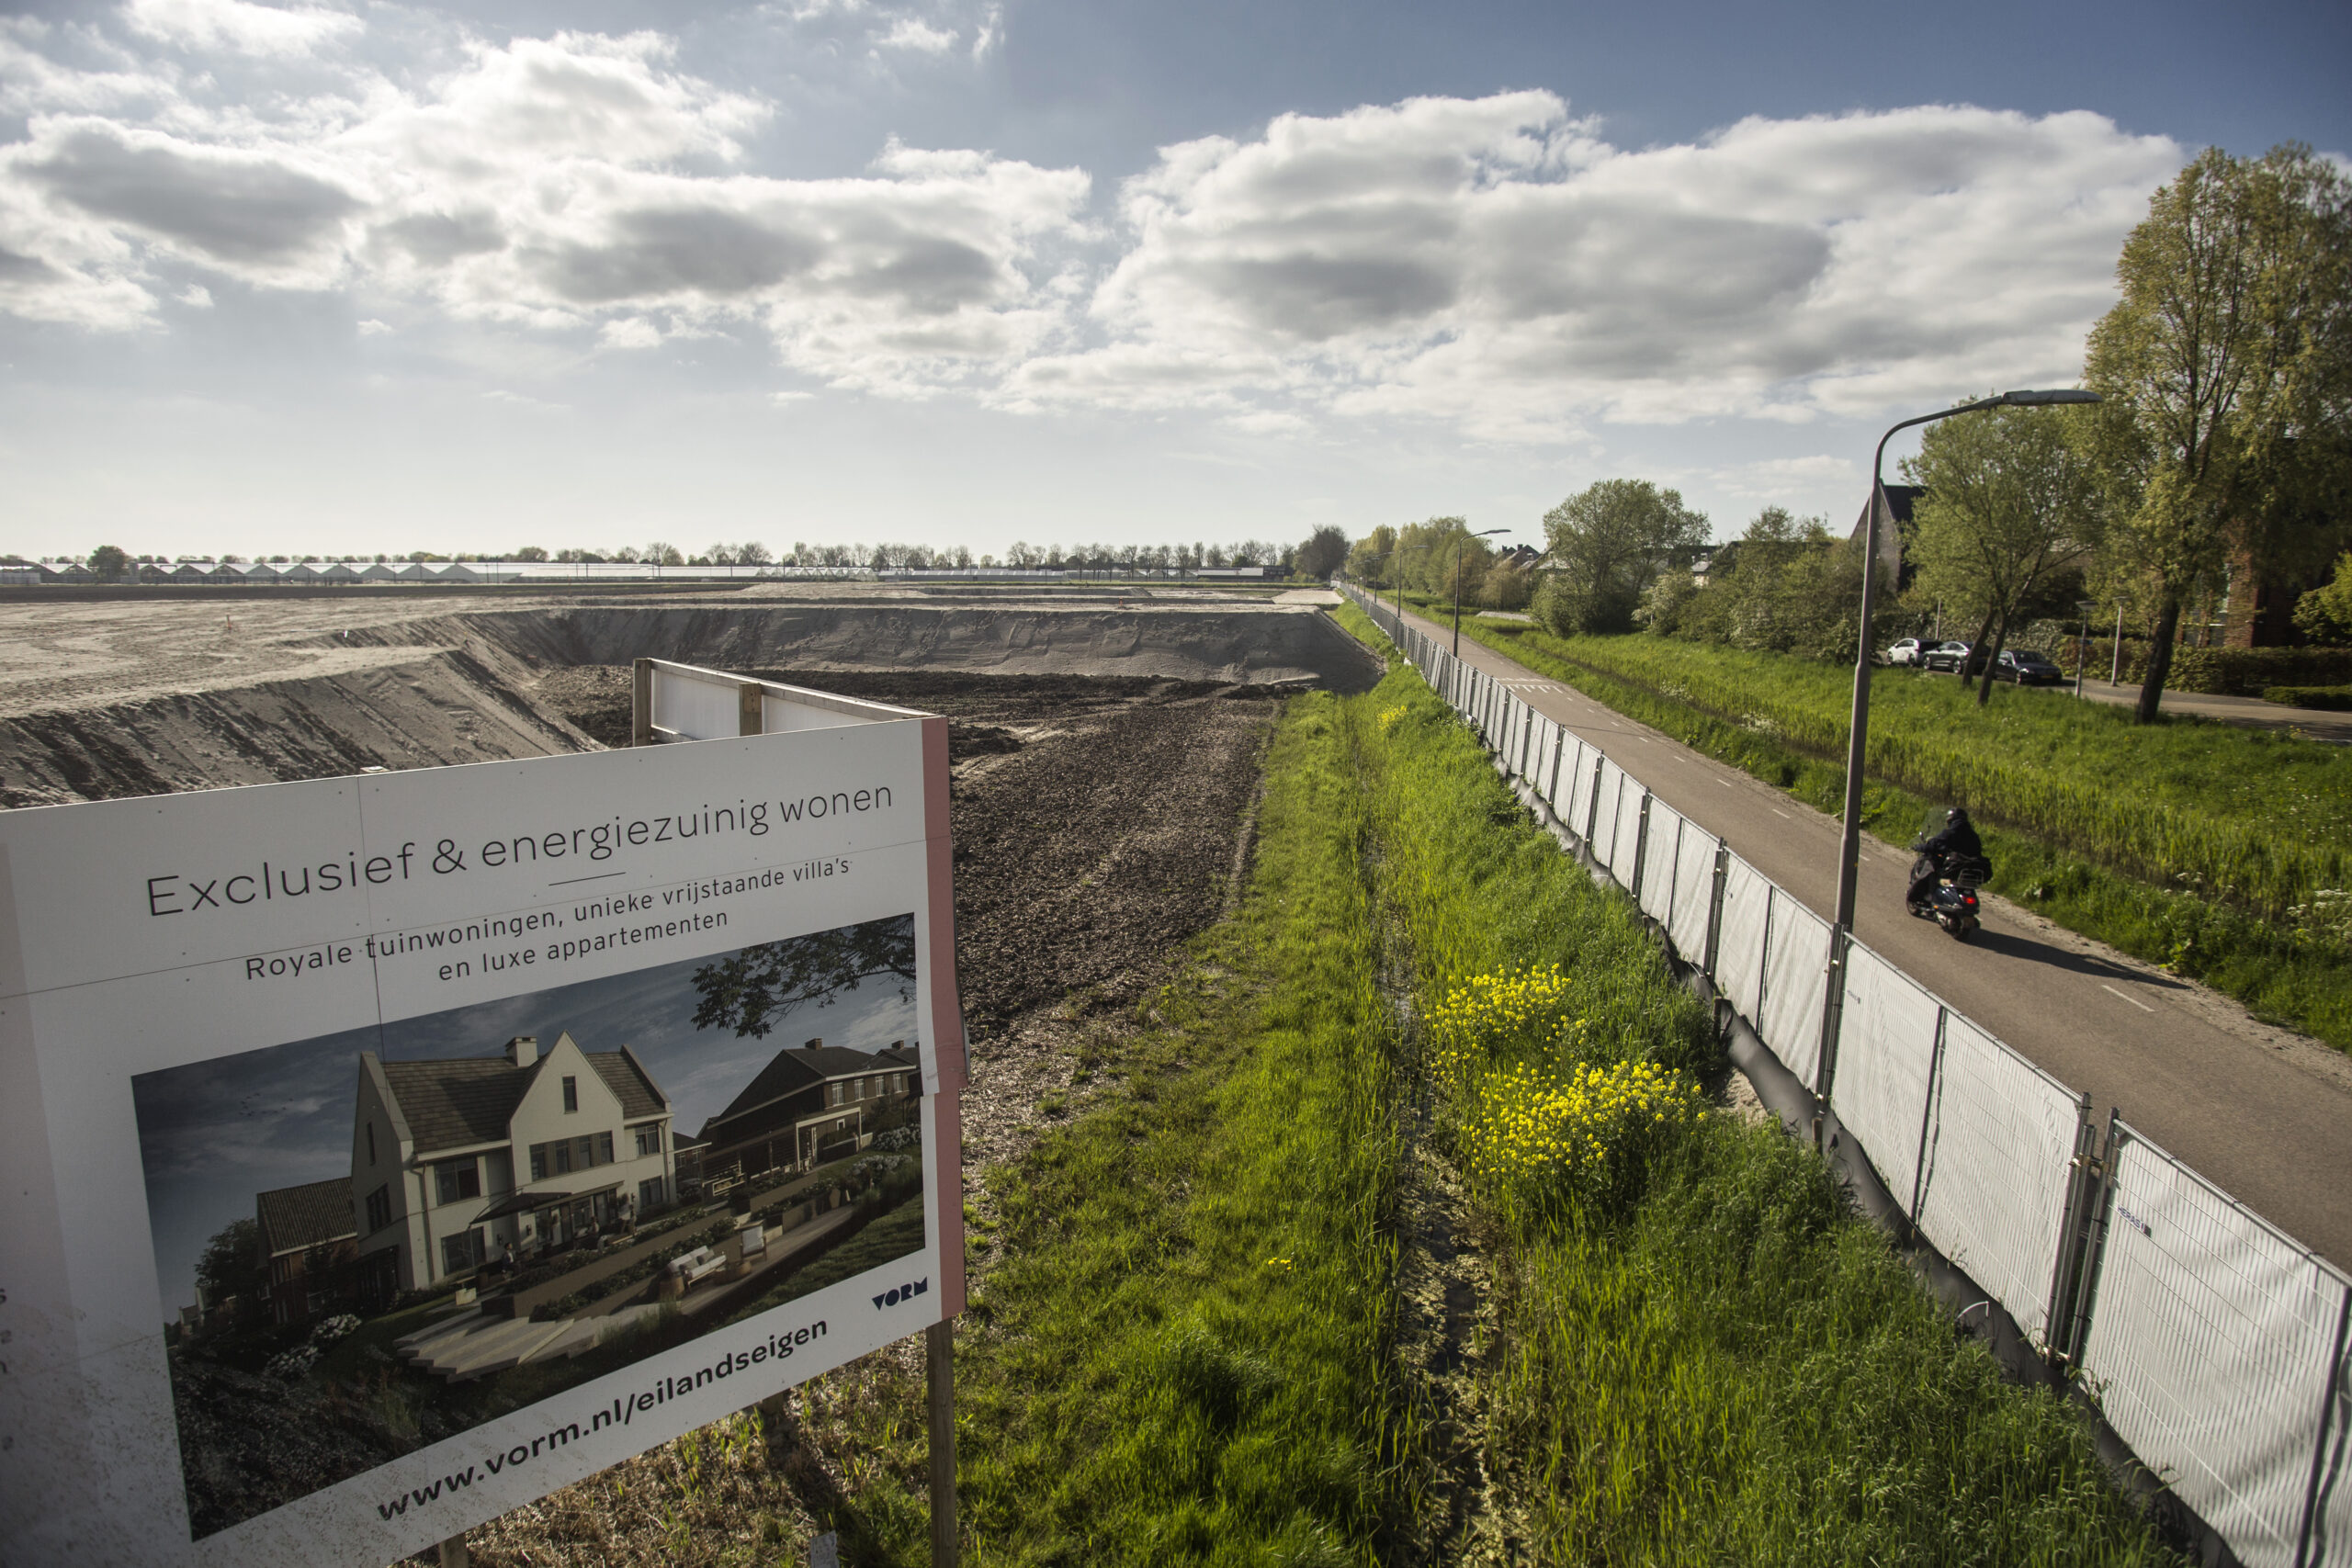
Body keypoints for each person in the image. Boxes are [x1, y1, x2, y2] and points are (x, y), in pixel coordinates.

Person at [1908, 807, 1984, 906]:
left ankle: (1927, 895)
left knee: (1931, 867)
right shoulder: (1974, 835)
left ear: (1950, 820)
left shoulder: (1950, 833)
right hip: (1969, 867)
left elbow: (1934, 844)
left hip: (1954, 865)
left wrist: (1920, 847)